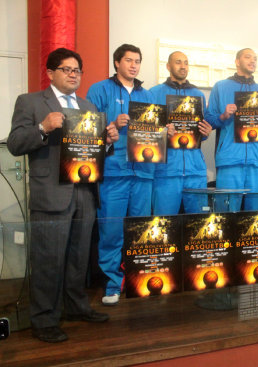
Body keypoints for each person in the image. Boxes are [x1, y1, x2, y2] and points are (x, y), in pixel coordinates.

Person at [8, 48, 117, 342]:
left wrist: (107, 143)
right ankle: (44, 319)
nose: (73, 75)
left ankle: (76, 306)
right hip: (51, 193)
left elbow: (93, 153)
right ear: (50, 73)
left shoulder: (89, 106)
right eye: (67, 69)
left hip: (84, 191)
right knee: (48, 258)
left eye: (77, 70)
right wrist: (43, 127)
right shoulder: (30, 102)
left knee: (78, 257)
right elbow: (15, 143)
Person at [87, 44, 154, 305]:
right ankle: (113, 285)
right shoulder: (99, 90)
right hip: (114, 173)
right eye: (128, 60)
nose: (134, 65)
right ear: (117, 63)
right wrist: (113, 124)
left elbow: (153, 132)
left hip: (144, 173)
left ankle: (138, 282)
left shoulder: (147, 94)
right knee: (112, 232)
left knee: (140, 232)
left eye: (137, 61)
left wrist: (164, 131)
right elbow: (86, 130)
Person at [205, 48, 258, 212]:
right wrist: (223, 116)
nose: (253, 61)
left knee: (256, 219)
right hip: (230, 161)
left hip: (257, 162)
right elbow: (209, 119)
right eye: (248, 57)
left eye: (255, 58)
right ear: (237, 61)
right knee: (226, 216)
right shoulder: (221, 87)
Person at [149, 51, 212, 215]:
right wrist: (162, 132)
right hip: (166, 172)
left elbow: (199, 133)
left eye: (185, 62)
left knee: (199, 225)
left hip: (195, 171)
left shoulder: (198, 95)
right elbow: (144, 132)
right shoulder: (154, 93)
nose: (183, 66)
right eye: (178, 62)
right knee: (163, 226)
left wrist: (205, 132)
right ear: (168, 66)